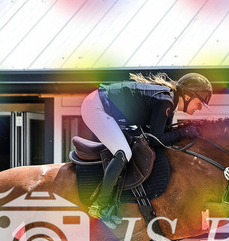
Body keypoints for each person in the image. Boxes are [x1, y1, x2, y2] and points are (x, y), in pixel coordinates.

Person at [80, 72, 213, 224]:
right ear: (188, 96)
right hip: (96, 106)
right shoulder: (165, 101)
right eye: (199, 103)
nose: (199, 108)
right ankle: (100, 205)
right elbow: (156, 139)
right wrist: (185, 132)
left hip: (101, 104)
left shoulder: (168, 101)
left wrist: (183, 130)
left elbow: (162, 135)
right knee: (124, 152)